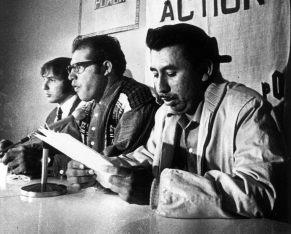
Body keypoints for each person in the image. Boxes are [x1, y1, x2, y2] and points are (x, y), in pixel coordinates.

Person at [68, 23, 287, 218]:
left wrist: (158, 191)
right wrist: (98, 168)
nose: (160, 87)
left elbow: (262, 193)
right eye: (155, 73)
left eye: (171, 73)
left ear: (205, 70)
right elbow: (148, 155)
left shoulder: (246, 108)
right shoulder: (165, 112)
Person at [66, 34, 158, 189]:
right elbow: (68, 150)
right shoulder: (86, 104)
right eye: (71, 68)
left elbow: (117, 164)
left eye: (78, 67)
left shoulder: (135, 97)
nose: (70, 76)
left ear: (106, 68)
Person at [0, 57, 81, 177]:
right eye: (44, 79)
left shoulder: (84, 110)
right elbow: (45, 149)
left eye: (51, 80)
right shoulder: (53, 115)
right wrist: (14, 150)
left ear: (70, 80)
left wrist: (41, 161)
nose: (44, 87)